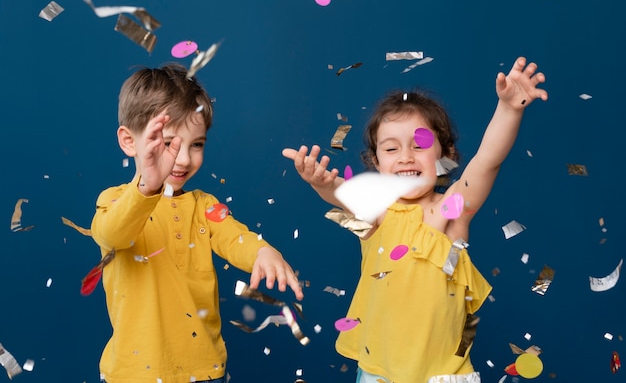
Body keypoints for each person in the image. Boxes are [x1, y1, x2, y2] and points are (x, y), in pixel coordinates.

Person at [282, 57, 547, 383]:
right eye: (391, 149)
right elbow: (347, 197)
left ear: (445, 154)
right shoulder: (377, 215)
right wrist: (322, 183)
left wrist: (509, 109)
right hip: (378, 373)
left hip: (442, 376)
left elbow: (487, 161)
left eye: (419, 144)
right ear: (377, 163)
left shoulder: (450, 212)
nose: (406, 156)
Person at [91, 63, 304, 383]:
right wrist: (147, 187)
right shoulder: (113, 202)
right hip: (133, 373)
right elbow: (114, 233)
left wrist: (262, 252)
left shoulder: (204, 206)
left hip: (204, 370)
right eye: (168, 144)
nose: (184, 159)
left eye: (196, 144)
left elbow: (235, 237)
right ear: (129, 141)